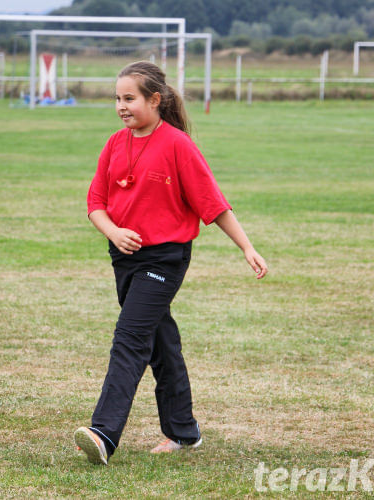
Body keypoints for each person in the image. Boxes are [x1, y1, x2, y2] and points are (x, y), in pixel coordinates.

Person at [74, 61, 268, 465]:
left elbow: (213, 205)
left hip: (165, 257)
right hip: (124, 257)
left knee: (129, 336)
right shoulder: (114, 143)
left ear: (155, 100)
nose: (121, 106)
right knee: (161, 343)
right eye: (117, 98)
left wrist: (247, 247)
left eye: (130, 98)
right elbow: (95, 204)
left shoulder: (178, 144)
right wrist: (113, 231)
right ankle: (184, 432)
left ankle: (104, 433)